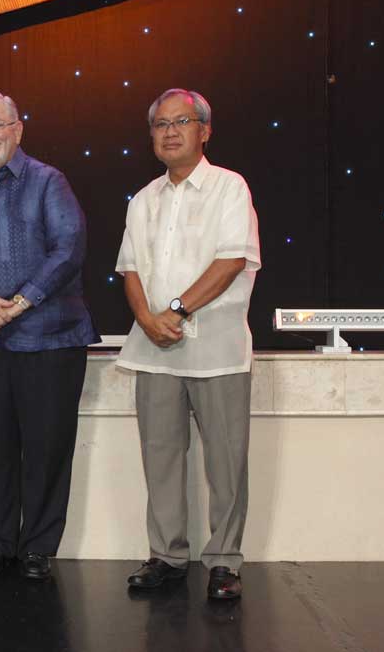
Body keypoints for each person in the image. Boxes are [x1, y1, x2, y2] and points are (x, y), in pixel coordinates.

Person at [0, 91, 99, 581]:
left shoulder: (49, 181)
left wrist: (20, 302)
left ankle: (38, 548)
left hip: (49, 338)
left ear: (17, 129)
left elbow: (69, 247)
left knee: (47, 448)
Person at [115, 88, 261, 599]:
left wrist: (174, 311)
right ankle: (167, 556)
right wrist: (146, 319)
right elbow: (130, 268)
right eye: (161, 124)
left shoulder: (229, 187)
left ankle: (224, 562)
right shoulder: (144, 199)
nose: (170, 132)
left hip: (217, 350)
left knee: (226, 462)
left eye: (182, 121)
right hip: (154, 348)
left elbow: (232, 259)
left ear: (205, 130)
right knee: (159, 457)